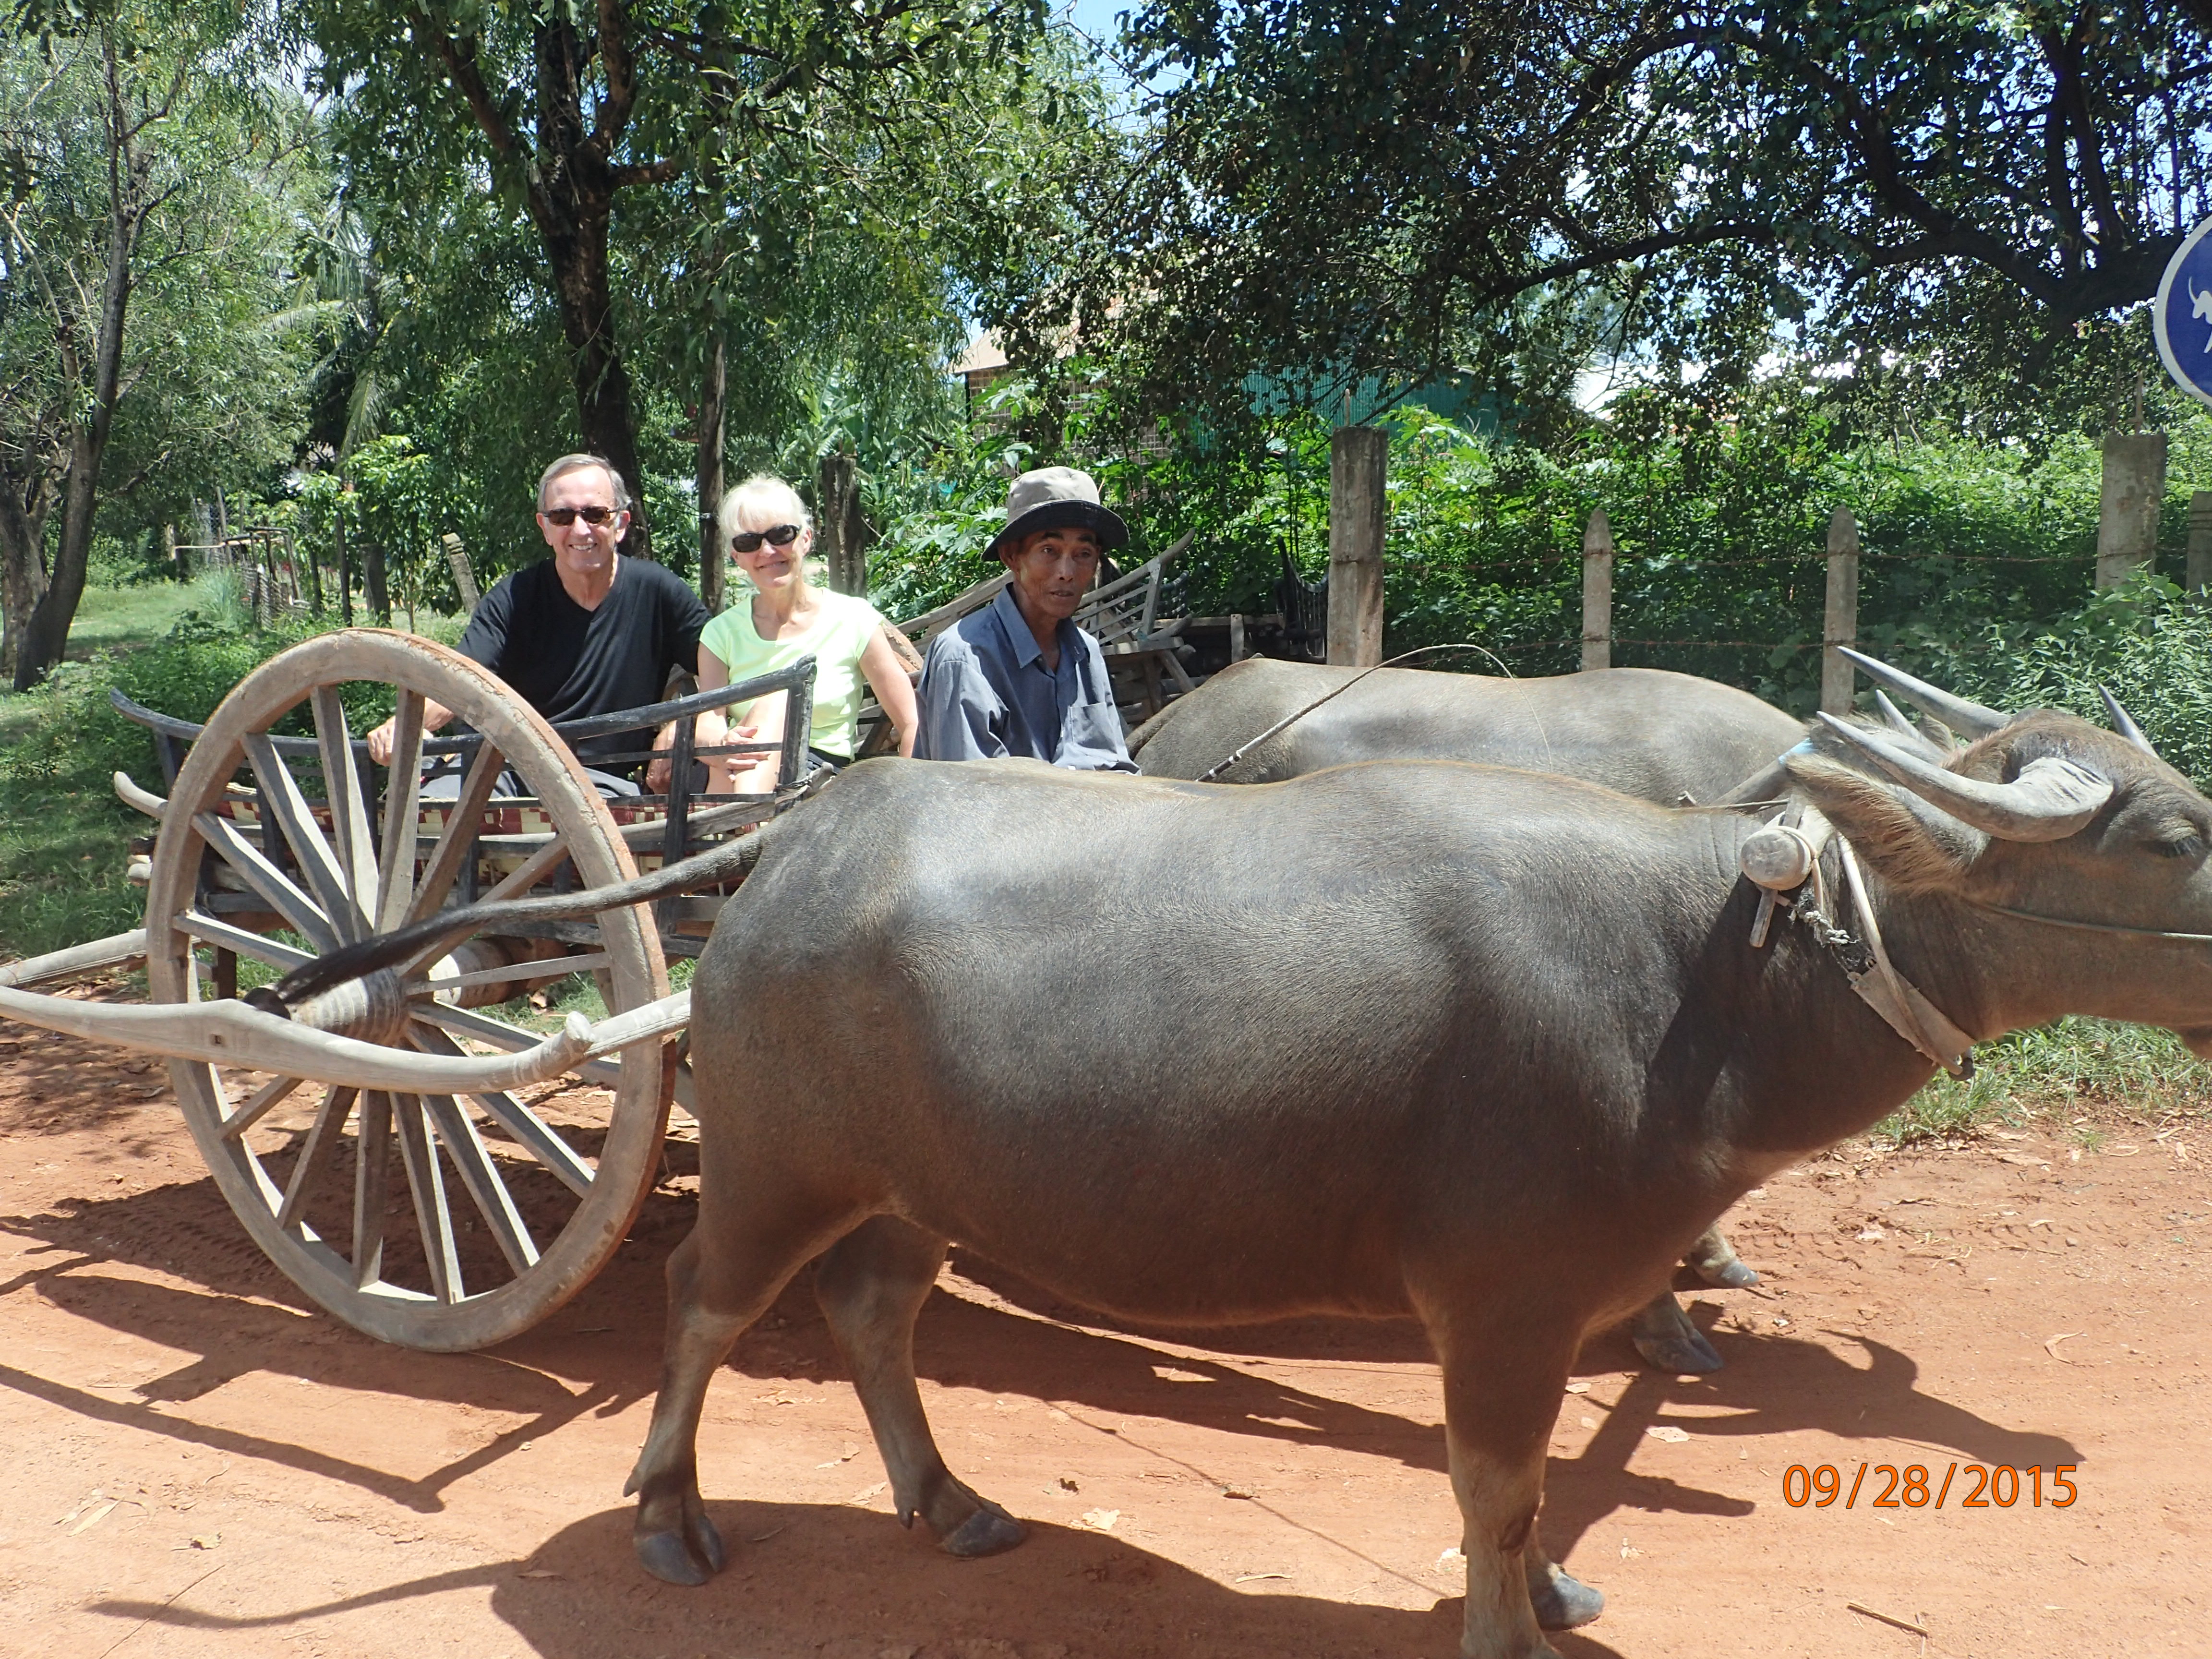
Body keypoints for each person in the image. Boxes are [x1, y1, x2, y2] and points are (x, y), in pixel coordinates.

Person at [364, 454, 710, 795]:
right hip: (502, 771)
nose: (580, 529)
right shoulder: (513, 598)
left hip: (599, 785)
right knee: (431, 810)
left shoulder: (657, 591)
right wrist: (405, 725)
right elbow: (459, 680)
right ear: (545, 527)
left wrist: (685, 721)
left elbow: (723, 666)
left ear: (620, 524)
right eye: (562, 516)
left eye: (595, 514)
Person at [657, 473, 918, 793]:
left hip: (820, 779)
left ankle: (744, 818)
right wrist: (723, 745)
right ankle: (747, 814)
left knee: (779, 697)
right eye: (749, 542)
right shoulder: (721, 633)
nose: (767, 551)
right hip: (734, 768)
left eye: (781, 535)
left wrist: (906, 799)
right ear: (736, 557)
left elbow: (911, 721)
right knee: (745, 743)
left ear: (806, 539)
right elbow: (710, 721)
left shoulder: (854, 619)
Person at [913, 466, 1137, 771]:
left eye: (1083, 554)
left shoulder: (1086, 652)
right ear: (1012, 557)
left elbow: (1117, 767)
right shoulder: (965, 658)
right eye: (1049, 550)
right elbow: (971, 789)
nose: (1067, 572)